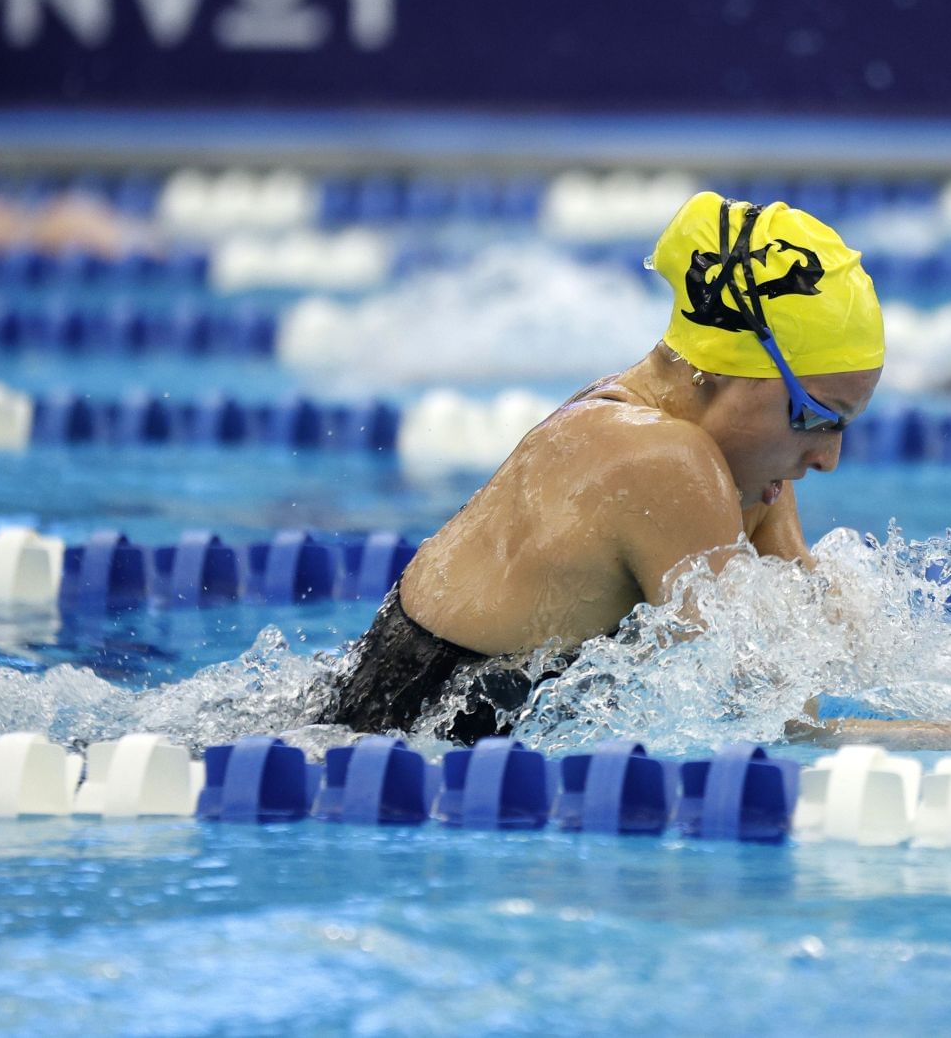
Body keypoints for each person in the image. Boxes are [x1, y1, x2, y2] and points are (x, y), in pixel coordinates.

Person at [328, 191, 882, 742]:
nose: (827, 458)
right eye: (816, 417)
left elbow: (821, 631)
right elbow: (770, 714)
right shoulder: (663, 461)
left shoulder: (726, 453)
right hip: (395, 763)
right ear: (727, 369)